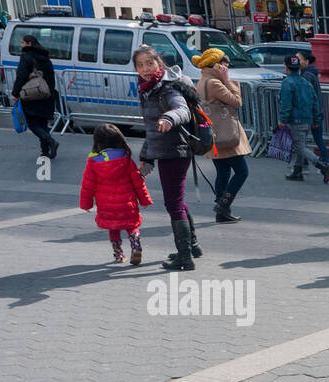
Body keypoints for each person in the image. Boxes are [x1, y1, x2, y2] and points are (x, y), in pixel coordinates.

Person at [135, 44, 199, 271]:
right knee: (177, 199)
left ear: (159, 64)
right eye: (140, 65)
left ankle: (185, 257)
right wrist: (146, 156)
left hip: (176, 151)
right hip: (165, 150)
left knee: (173, 202)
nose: (145, 69)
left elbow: (181, 110)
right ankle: (192, 246)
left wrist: (169, 118)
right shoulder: (147, 89)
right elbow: (150, 129)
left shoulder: (167, 89)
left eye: (150, 63)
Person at [79, 123, 152, 265]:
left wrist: (86, 204)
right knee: (131, 226)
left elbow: (87, 186)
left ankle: (119, 255)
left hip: (106, 205)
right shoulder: (126, 159)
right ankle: (136, 245)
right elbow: (138, 182)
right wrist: (144, 200)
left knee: (113, 228)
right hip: (127, 203)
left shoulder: (93, 161)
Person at [193, 48, 251, 224]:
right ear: (217, 65)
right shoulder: (214, 83)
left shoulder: (203, 80)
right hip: (226, 135)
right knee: (242, 171)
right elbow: (237, 101)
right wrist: (227, 81)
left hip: (215, 136)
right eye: (225, 66)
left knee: (223, 172)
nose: (227, 69)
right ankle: (223, 205)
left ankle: (222, 211)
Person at [278, 55, 329, 183]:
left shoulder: (287, 82)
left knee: (300, 146)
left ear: (286, 67)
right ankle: (298, 170)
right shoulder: (306, 82)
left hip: (295, 119)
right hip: (307, 119)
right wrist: (316, 119)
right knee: (301, 144)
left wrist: (282, 119)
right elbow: (315, 102)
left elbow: (286, 103)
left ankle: (322, 166)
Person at [12, 34, 57, 159]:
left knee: (32, 123)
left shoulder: (26, 57)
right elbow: (51, 76)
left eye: (22, 43)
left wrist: (15, 93)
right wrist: (50, 92)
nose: (21, 45)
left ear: (29, 44)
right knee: (42, 123)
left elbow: (21, 76)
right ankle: (45, 151)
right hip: (46, 94)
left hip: (31, 95)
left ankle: (50, 142)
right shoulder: (45, 56)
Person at [297, 50, 329, 170]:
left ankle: (318, 165)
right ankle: (322, 163)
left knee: (303, 142)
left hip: (310, 115)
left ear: (306, 61)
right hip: (315, 114)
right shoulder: (309, 74)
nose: (296, 61)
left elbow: (309, 98)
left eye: (299, 59)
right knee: (316, 140)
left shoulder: (306, 76)